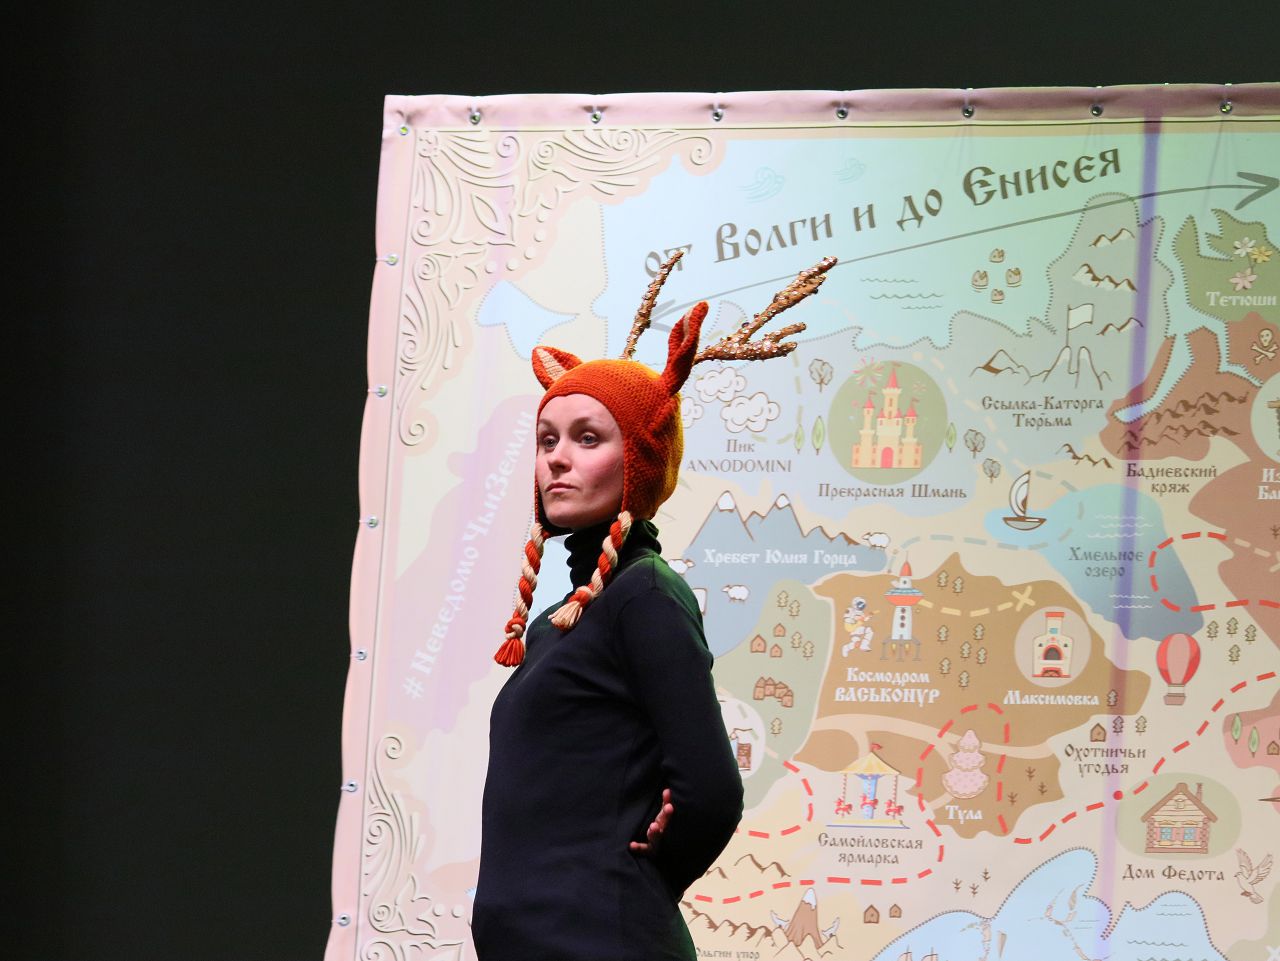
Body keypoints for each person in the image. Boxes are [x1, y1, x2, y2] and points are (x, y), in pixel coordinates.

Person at [472, 254, 835, 961]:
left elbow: (710, 791)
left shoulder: (643, 593)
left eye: (588, 438)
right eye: (548, 440)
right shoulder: (558, 624)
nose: (557, 459)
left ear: (638, 458)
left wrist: (633, 880)